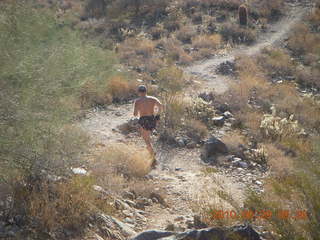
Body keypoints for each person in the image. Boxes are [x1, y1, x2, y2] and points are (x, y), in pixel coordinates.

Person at [133, 85, 163, 166]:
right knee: (148, 136)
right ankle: (151, 151)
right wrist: (157, 116)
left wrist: (139, 110)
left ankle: (153, 156)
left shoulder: (138, 101)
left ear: (139, 92)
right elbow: (161, 106)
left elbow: (135, 114)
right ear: (146, 91)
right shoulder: (153, 99)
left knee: (146, 139)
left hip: (143, 120)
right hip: (152, 119)